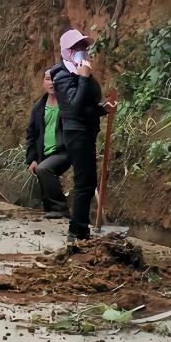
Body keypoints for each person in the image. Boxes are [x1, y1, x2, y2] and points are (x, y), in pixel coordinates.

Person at [50, 29, 109, 244]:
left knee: (87, 181)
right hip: (76, 133)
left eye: (84, 47)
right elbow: (73, 108)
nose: (82, 52)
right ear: (67, 52)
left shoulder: (79, 71)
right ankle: (78, 231)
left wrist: (101, 109)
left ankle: (79, 228)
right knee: (85, 183)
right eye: (77, 48)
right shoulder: (63, 75)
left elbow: (85, 104)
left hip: (85, 130)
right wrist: (84, 79)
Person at [26, 68, 70, 217]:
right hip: (43, 153)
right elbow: (31, 134)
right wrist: (32, 159)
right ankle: (51, 213)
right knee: (44, 181)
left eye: (54, 79)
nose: (51, 83)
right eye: (47, 79)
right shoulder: (38, 107)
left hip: (64, 150)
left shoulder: (67, 103)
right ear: (43, 83)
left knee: (44, 169)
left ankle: (61, 208)